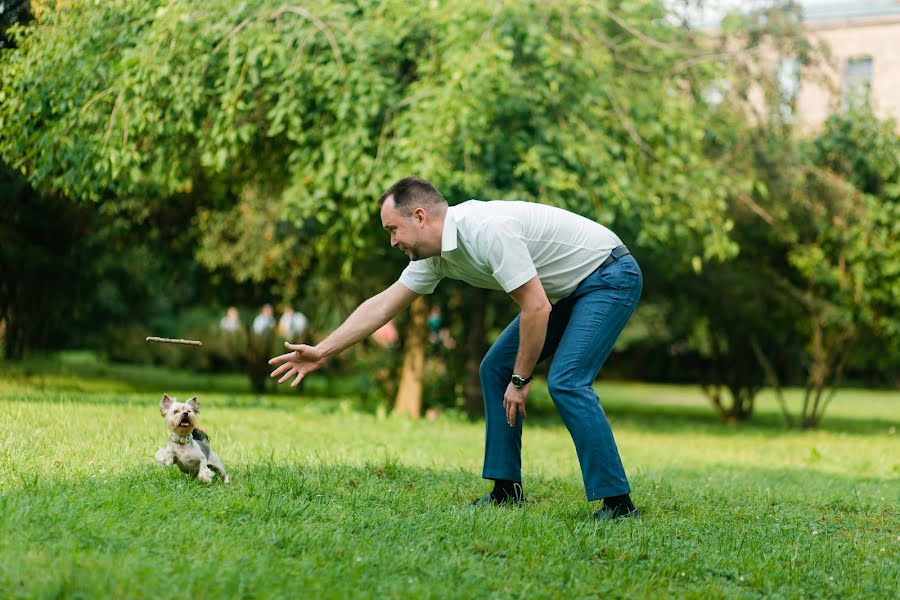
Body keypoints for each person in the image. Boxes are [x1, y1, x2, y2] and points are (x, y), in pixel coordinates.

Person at [268, 176, 642, 521]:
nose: (392, 241)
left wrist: (522, 378)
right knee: (492, 369)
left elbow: (536, 307)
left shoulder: (485, 230)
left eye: (393, 230)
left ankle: (617, 504)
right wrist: (323, 351)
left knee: (566, 381)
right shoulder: (435, 256)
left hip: (608, 275)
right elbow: (382, 305)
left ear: (419, 217)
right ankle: (505, 490)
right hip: (565, 291)